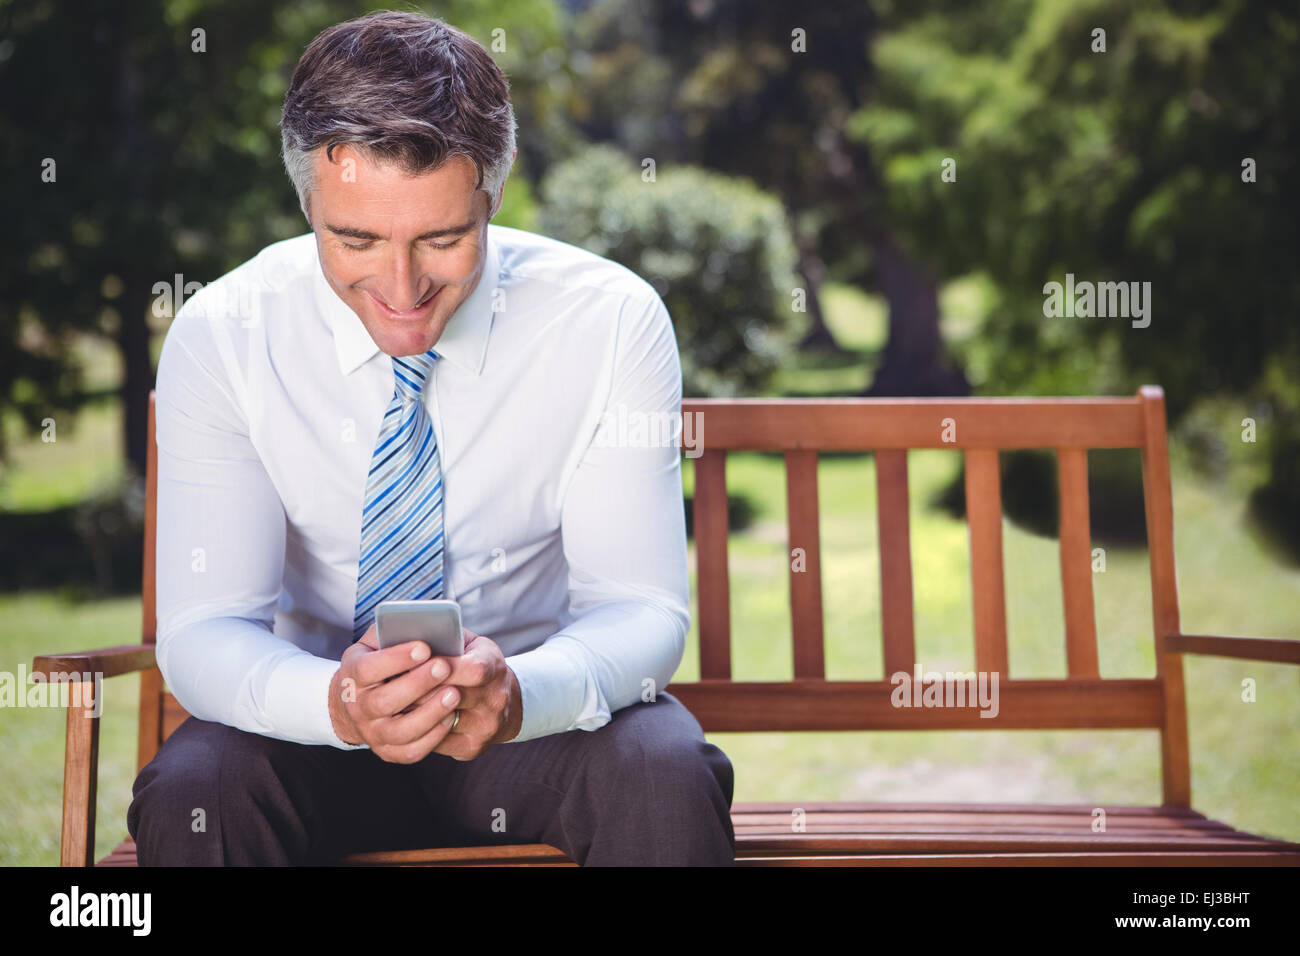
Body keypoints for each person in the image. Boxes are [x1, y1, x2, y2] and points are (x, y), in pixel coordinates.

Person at [127, 9, 734, 866]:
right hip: (310, 732)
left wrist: (520, 694)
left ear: (494, 195)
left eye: (443, 239)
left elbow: (639, 610)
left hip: (530, 732)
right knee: (198, 790)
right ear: (308, 204)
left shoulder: (608, 320)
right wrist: (339, 704)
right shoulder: (226, 332)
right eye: (355, 239)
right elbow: (205, 629)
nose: (401, 287)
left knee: (661, 768)